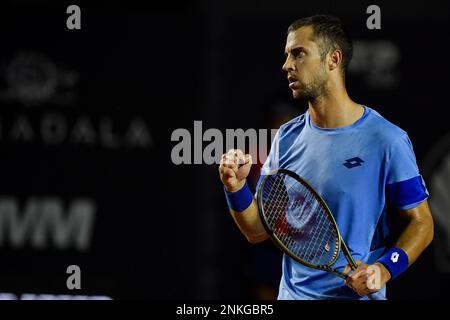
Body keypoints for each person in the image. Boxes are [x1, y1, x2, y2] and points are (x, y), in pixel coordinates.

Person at [218, 15, 434, 300]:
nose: (287, 65)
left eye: (298, 53)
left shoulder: (387, 140)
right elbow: (257, 230)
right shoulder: (286, 137)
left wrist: (384, 269)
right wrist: (235, 188)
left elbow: (422, 224)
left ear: (333, 59)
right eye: (286, 55)